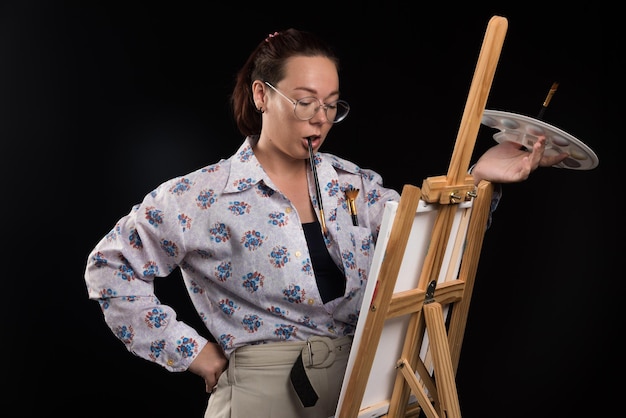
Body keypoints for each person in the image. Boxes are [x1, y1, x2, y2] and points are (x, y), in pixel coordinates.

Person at [84, 28, 568, 418]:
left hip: (363, 385)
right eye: (305, 100)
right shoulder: (200, 195)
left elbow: (425, 238)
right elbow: (109, 269)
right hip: (263, 396)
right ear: (262, 95)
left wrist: (481, 177)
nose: (320, 119)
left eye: (332, 104)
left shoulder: (349, 181)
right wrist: (193, 352)